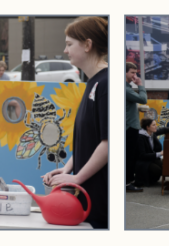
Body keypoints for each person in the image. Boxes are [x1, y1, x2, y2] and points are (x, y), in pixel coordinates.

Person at [41, 16, 109, 229]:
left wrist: (78, 177)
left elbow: (109, 144)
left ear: (88, 45)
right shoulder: (93, 83)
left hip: (100, 199)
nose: (65, 50)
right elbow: (89, 141)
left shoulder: (106, 84)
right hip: (89, 196)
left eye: (70, 44)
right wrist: (67, 169)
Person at [137, 118, 169, 186]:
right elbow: (142, 155)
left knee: (167, 166)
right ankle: (146, 180)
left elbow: (164, 129)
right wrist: (160, 154)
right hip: (144, 162)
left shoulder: (152, 133)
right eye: (153, 125)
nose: (156, 126)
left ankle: (155, 179)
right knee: (159, 170)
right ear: (147, 127)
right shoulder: (141, 137)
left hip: (152, 159)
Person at [124, 62, 146, 192]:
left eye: (135, 72)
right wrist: (140, 85)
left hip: (130, 126)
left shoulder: (127, 87)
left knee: (131, 155)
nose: (135, 75)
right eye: (132, 72)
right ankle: (127, 183)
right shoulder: (125, 88)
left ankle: (129, 181)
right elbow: (143, 99)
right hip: (129, 127)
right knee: (129, 156)